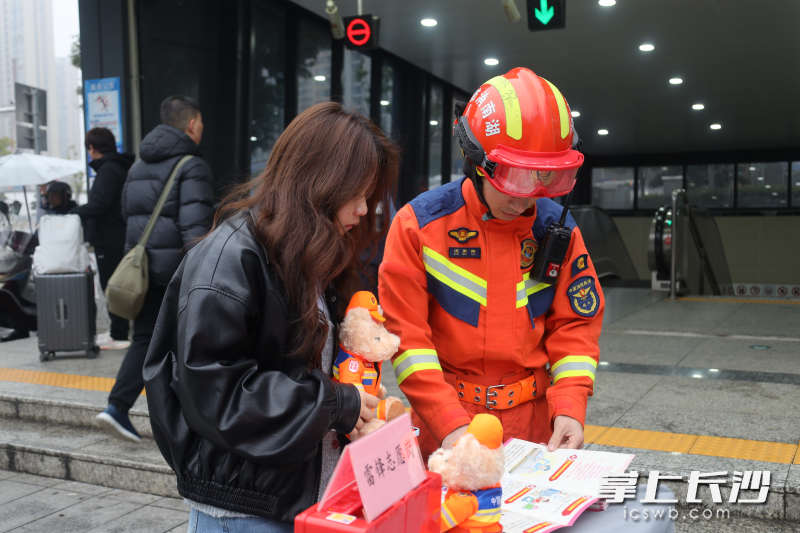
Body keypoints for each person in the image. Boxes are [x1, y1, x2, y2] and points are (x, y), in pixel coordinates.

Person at [142, 101, 399, 530]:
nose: (362, 210)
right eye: (357, 194)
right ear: (320, 181)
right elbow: (217, 392)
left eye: (368, 197)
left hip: (297, 496)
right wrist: (336, 404)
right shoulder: (231, 258)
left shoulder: (311, 253)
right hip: (247, 510)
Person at [378, 67, 604, 462]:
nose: (527, 199)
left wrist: (570, 407)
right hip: (446, 425)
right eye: (515, 178)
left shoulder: (559, 230)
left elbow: (576, 327)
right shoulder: (419, 226)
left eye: (545, 177)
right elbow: (408, 339)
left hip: (535, 428)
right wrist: (449, 424)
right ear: (476, 161)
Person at [94, 95, 214, 443]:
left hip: (144, 273)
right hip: (175, 276)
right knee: (190, 346)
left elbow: (129, 220)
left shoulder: (136, 167)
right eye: (201, 123)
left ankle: (118, 406)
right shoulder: (191, 166)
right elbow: (195, 231)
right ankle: (186, 423)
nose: (202, 129)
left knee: (146, 340)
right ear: (191, 124)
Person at [70, 127, 134, 349]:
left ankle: (119, 334)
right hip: (119, 235)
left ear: (91, 148)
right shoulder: (119, 167)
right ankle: (120, 331)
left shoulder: (108, 170)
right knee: (117, 284)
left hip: (109, 238)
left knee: (111, 286)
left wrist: (72, 214)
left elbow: (100, 204)